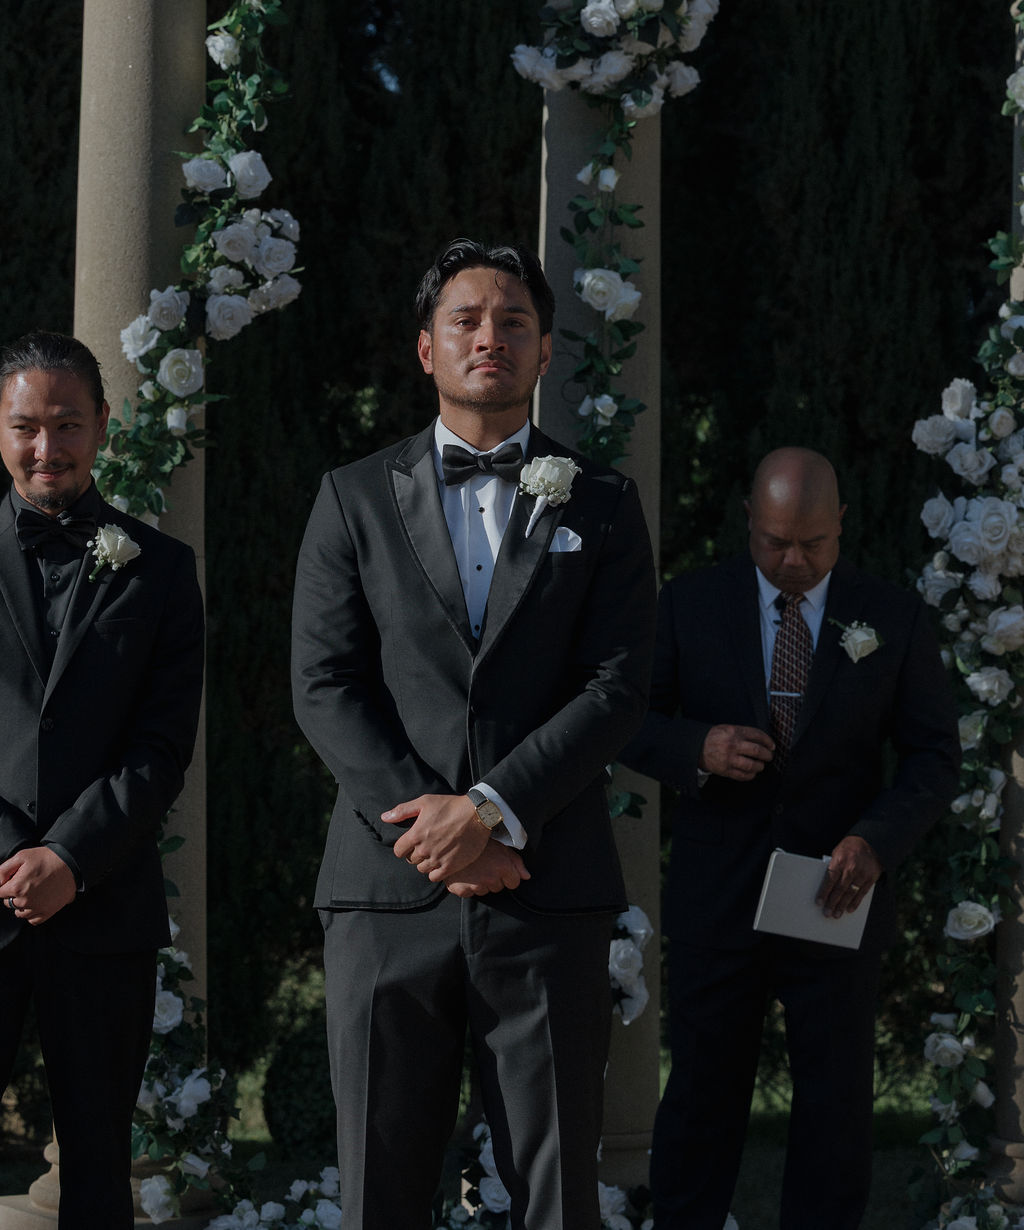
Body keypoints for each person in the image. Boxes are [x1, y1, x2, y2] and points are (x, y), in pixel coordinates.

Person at [291, 238, 656, 1229]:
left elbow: (618, 686)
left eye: (513, 322)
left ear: (543, 355)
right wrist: (436, 829)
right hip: (384, 893)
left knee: (553, 1193)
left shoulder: (605, 504)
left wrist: (494, 812)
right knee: (381, 1184)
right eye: (466, 319)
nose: (488, 336)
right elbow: (323, 684)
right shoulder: (351, 498)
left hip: (544, 892)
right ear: (425, 349)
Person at [620, 447, 960, 1230]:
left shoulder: (894, 616)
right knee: (702, 1092)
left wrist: (874, 842)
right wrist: (695, 748)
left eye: (813, 543)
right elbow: (630, 720)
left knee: (835, 1105)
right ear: (749, 521)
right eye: (776, 542)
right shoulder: (689, 605)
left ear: (841, 524)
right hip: (718, 895)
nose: (795, 560)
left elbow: (935, 755)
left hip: (836, 897)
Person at [0, 332, 204, 1229]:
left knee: (97, 1166)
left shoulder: (159, 569)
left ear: (103, 427)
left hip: (104, 902)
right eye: (27, 426)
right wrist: (15, 859)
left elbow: (161, 748)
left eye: (68, 424)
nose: (49, 447)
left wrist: (71, 859)